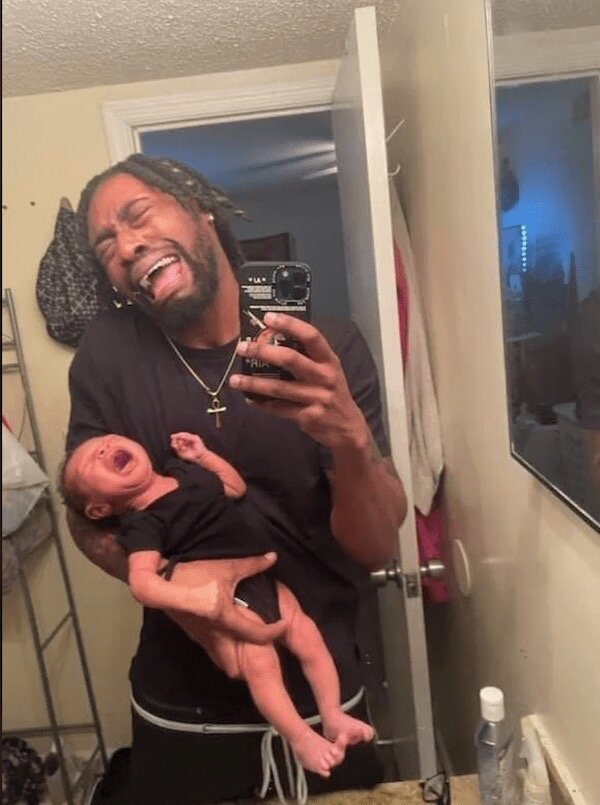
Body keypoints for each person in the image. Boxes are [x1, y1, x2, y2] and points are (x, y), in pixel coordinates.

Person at [63, 153, 407, 803]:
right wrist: (187, 597)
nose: (127, 246)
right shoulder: (107, 355)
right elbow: (86, 518)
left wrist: (351, 441)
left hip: (325, 691)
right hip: (182, 704)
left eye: (138, 215)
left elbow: (376, 547)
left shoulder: (325, 347)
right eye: (106, 246)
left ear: (200, 209)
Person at [61, 430, 375, 778]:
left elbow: (234, 487)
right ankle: (300, 738)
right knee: (260, 660)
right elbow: (143, 583)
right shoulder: (142, 525)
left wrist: (203, 457)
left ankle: (332, 716)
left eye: (106, 440)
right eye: (92, 459)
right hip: (227, 597)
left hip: (262, 578)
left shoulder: (183, 472)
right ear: (99, 509)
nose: (104, 448)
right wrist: (195, 599)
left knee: (307, 636)